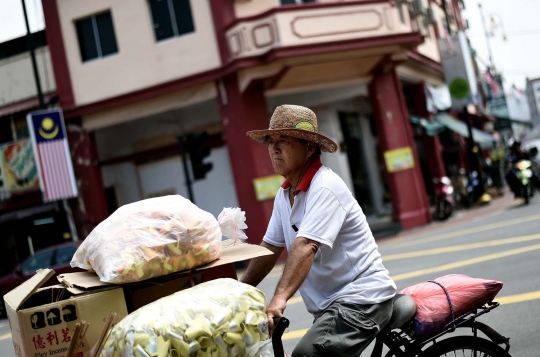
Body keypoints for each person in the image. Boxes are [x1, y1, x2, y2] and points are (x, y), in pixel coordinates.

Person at [241, 104, 397, 357]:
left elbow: (305, 246)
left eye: (284, 141)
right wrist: (239, 291)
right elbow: (270, 246)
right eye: (270, 141)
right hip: (334, 306)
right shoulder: (285, 193)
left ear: (309, 147)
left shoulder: (324, 187)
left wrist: (279, 300)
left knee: (306, 355)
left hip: (360, 299)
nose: (274, 148)